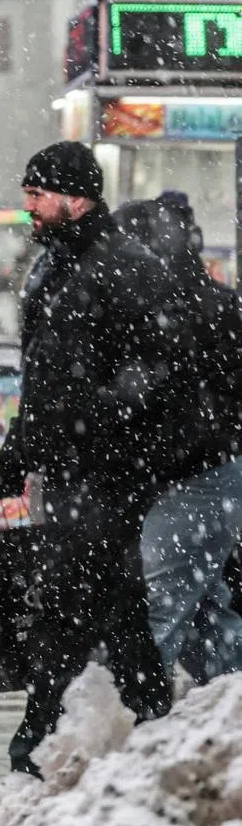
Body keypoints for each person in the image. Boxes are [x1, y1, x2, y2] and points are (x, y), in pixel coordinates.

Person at [0, 142, 174, 807]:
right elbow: (47, 380)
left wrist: (100, 413)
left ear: (75, 196)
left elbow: (157, 365)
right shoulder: (58, 263)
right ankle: (159, 726)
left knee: (69, 603)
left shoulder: (118, 266)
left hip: (106, 470)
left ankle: (30, 746)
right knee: (117, 607)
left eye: (37, 193)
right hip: (72, 467)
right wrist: (20, 452)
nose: (27, 204)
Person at [113, 192, 242, 683]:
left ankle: (129, 733)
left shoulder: (160, 315)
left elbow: (158, 405)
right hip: (210, 476)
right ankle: (229, 706)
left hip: (189, 481)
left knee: (158, 618)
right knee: (207, 622)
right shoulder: (214, 305)